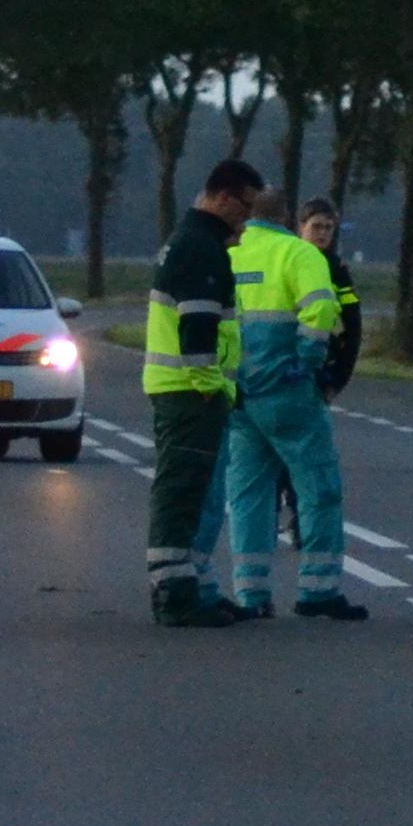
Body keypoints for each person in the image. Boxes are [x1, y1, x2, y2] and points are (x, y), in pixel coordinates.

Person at [214, 202, 362, 619]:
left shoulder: (231, 254)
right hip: (288, 392)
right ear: (286, 219)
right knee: (318, 488)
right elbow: (322, 309)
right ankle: (318, 590)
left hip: (240, 395)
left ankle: (251, 594)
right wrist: (309, 361)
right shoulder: (299, 254)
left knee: (249, 495)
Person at [143, 161, 264, 628]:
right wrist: (213, 388)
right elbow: (197, 329)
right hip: (191, 392)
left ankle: (190, 586)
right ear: (223, 197)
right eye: (245, 208)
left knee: (191, 493)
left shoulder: (191, 240)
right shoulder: (200, 248)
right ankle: (174, 595)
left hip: (185, 389)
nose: (246, 220)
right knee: (182, 493)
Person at [298, 202, 363, 399]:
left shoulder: (337, 269)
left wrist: (338, 379)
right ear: (302, 226)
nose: (323, 233)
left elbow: (353, 325)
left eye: (328, 228)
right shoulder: (288, 260)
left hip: (320, 362)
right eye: (316, 226)